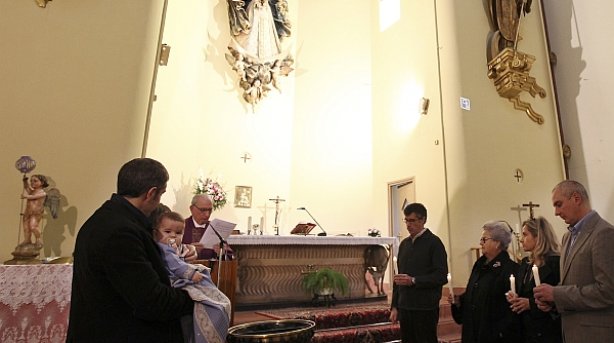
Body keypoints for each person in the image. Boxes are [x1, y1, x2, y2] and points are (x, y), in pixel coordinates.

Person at [67, 158, 195, 342]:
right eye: (161, 194)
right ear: (151, 193)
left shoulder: (103, 219)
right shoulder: (121, 232)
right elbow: (152, 301)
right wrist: (195, 298)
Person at [533, 180, 614, 342]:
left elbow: (608, 291)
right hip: (571, 333)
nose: (556, 212)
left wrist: (556, 293)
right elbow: (570, 286)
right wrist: (554, 301)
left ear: (576, 198)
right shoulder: (568, 237)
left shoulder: (603, 233)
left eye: (559, 204)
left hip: (595, 335)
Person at [151, 207, 231, 343]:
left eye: (178, 233)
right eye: (168, 232)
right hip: (175, 280)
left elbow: (183, 252)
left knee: (203, 274)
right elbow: (175, 264)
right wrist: (191, 274)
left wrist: (191, 249)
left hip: (181, 277)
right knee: (208, 292)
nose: (172, 236)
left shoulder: (171, 243)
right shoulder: (164, 247)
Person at [450, 220, 521, 343]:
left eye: (484, 239)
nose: (480, 243)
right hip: (473, 333)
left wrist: (499, 333)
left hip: (493, 336)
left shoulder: (510, 269)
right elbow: (474, 294)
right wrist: (459, 302)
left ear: (497, 243)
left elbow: (509, 309)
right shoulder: (479, 265)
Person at [390, 203, 448, 343]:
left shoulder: (434, 243)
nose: (408, 225)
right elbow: (398, 278)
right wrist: (394, 306)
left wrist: (414, 280)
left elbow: (441, 276)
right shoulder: (404, 244)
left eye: (412, 221)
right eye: (406, 220)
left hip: (425, 306)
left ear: (423, 220)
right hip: (405, 305)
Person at [506, 216, 562, 342]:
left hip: (547, 331)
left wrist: (530, 304)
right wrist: (514, 297)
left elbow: (560, 298)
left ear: (538, 237)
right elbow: (524, 292)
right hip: (527, 331)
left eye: (525, 235)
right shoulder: (526, 263)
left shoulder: (555, 263)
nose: (521, 240)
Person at [182, 194, 233, 260]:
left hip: (211, 268)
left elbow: (229, 256)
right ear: (191, 209)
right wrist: (188, 250)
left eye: (210, 210)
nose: (207, 214)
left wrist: (222, 253)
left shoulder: (215, 228)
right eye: (203, 210)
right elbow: (170, 254)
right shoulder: (181, 226)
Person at [20, 174, 48, 247]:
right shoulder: (32, 191)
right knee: (26, 228)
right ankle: (27, 240)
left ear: (42, 183)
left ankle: (38, 239)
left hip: (36, 213)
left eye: (35, 181)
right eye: (31, 181)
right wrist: (25, 181)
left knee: (33, 226)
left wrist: (26, 196)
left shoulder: (42, 193)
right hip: (27, 212)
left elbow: (34, 197)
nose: (32, 183)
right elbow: (26, 187)